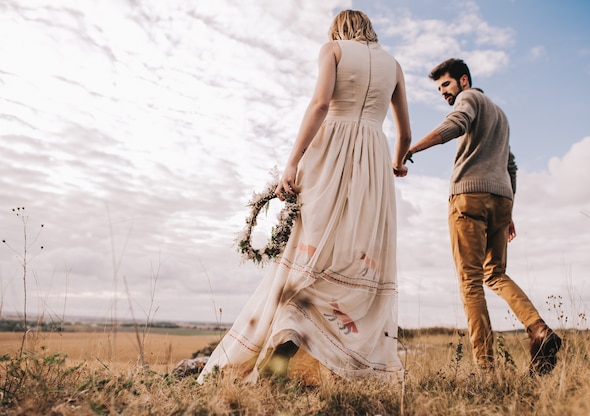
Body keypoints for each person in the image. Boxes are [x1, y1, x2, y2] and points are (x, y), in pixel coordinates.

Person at [197, 9, 411, 384]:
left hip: (330, 155)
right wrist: (396, 163)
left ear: (339, 29)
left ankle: (289, 333)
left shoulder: (333, 50)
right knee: (353, 253)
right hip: (373, 162)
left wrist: (292, 162)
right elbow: (405, 133)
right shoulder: (393, 66)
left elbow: (321, 105)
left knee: (310, 249)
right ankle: (314, 348)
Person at [405, 58, 561, 375]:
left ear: (464, 80)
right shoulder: (500, 116)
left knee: (470, 282)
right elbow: (511, 166)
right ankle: (538, 329)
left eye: (446, 85)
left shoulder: (469, 99)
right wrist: (509, 210)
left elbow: (456, 122)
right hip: (501, 200)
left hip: (469, 197)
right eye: (439, 89)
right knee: (495, 274)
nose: (443, 93)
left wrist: (411, 149)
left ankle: (486, 369)